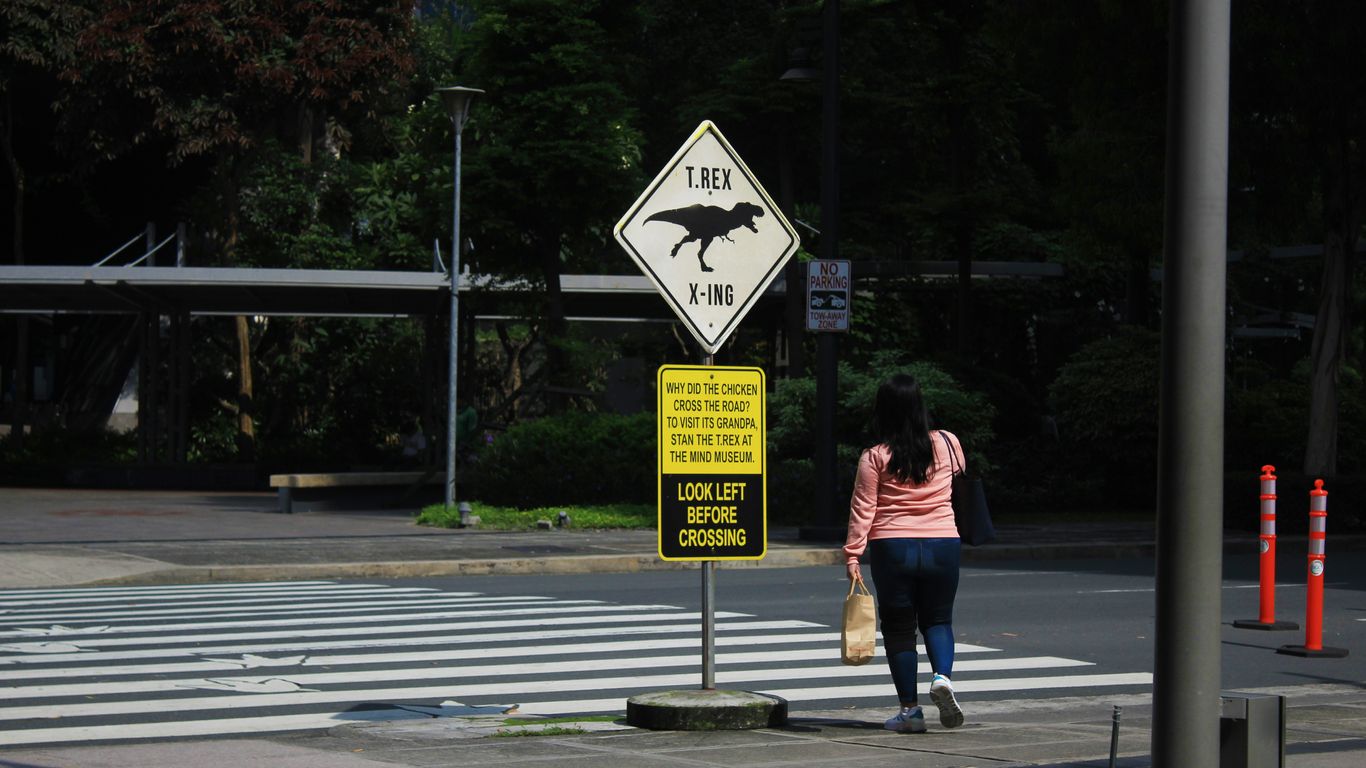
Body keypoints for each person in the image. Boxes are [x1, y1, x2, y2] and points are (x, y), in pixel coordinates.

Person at [843, 372, 965, 734]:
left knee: (899, 629)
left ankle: (910, 712)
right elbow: (959, 477)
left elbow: (863, 507)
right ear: (920, 406)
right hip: (944, 542)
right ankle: (942, 677)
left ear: (883, 410)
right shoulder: (948, 442)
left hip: (892, 546)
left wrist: (853, 554)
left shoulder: (874, 456)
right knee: (938, 620)